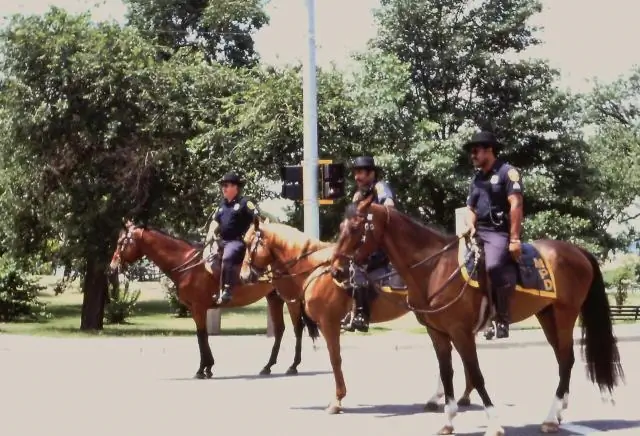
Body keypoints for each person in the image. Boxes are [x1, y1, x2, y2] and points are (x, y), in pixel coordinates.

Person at [463, 131, 524, 339]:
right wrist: (470, 226)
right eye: (471, 152)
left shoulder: (508, 172)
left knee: (493, 266)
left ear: (489, 150)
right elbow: (470, 208)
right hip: (477, 231)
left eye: (475, 151)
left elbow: (516, 205)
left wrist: (514, 239)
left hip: (498, 231)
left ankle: (502, 318)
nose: (472, 156)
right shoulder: (476, 179)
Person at [342, 156, 403, 333]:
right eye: (355, 173)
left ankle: (362, 315)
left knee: (358, 268)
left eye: (360, 172)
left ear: (371, 173)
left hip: (382, 245)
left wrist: (375, 217)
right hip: (365, 244)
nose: (356, 177)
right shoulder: (358, 194)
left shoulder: (380, 188)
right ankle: (348, 310)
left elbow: (390, 208)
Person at [208, 172, 261, 304]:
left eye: (226, 185)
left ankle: (228, 290)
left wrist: (250, 235)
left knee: (227, 257)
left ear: (235, 187)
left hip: (237, 241)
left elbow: (256, 218)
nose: (223, 188)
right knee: (207, 259)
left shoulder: (245, 202)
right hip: (221, 240)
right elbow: (215, 221)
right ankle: (213, 289)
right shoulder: (222, 204)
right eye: (222, 186)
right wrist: (211, 233)